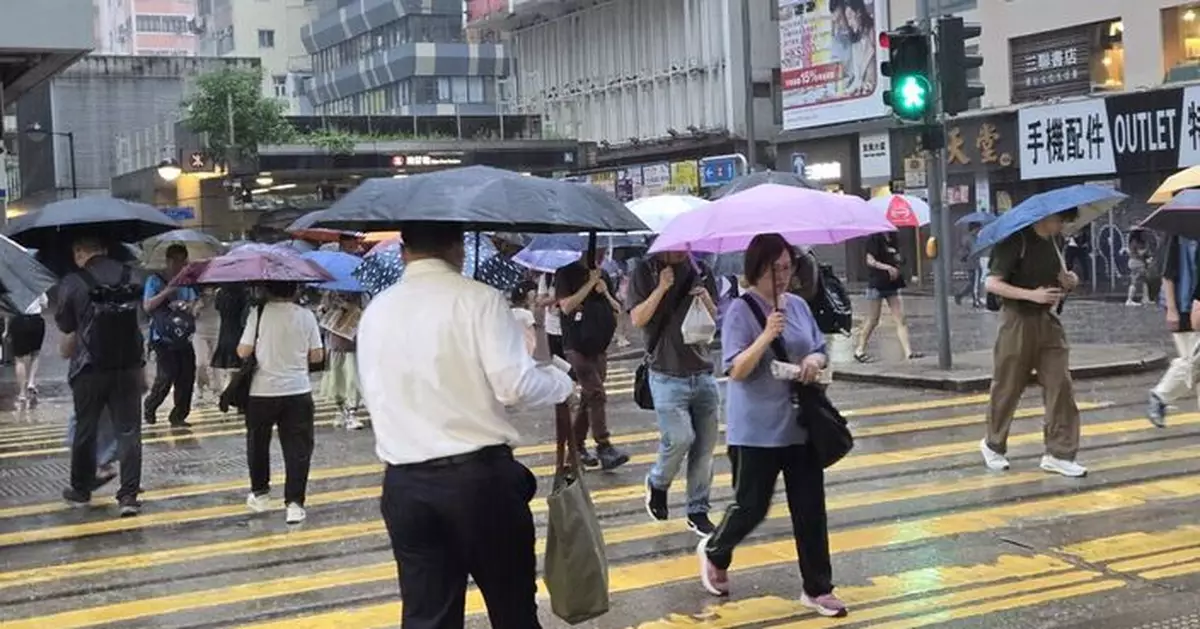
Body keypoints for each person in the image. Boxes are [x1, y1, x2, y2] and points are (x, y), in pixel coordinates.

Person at [358, 221, 574, 629]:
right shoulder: (480, 300)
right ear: (459, 248)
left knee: (428, 617)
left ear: (404, 251)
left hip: (405, 485)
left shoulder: (377, 312)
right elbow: (515, 386)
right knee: (512, 611)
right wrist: (562, 384)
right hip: (479, 485)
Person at [697, 233, 846, 617]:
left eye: (787, 267)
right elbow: (737, 370)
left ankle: (818, 588)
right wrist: (766, 336)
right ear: (755, 269)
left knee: (810, 508)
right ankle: (716, 549)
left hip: (800, 425)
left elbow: (818, 347)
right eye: (773, 268)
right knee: (751, 506)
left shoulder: (797, 305)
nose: (782, 276)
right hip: (756, 430)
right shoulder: (739, 311)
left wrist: (814, 361)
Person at [980, 208, 1087, 478]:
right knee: (1008, 385)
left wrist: (1070, 281)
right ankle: (993, 444)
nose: (1062, 226)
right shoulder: (1015, 241)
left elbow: (1062, 280)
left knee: (1060, 384)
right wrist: (1031, 295)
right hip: (1016, 320)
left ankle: (1059, 452)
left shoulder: (1055, 242)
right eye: (1060, 220)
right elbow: (992, 283)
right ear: (1044, 217)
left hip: (1047, 322)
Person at [629, 251, 720, 536]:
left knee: (704, 449)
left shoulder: (700, 268)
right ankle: (657, 482)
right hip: (666, 374)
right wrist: (662, 287)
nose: (683, 248)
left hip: (703, 371)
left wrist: (705, 298)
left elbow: (715, 316)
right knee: (680, 438)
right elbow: (637, 319)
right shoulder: (645, 270)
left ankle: (698, 510)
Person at [55, 236, 145, 516]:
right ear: (105, 249)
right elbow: (140, 324)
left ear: (81, 252)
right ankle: (128, 496)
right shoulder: (134, 276)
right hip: (128, 367)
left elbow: (66, 324)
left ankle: (81, 490)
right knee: (129, 431)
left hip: (88, 369)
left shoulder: (73, 281)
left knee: (86, 428)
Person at [238, 283, 324, 524]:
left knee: (258, 443)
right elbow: (317, 355)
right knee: (298, 449)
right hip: (297, 390)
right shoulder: (306, 316)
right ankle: (295, 504)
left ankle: (260, 494)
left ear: (267, 289)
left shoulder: (259, 313)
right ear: (295, 290)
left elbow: (243, 351)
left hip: (261, 391)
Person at [556, 251, 631, 470]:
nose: (601, 254)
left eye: (603, 250)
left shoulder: (603, 275)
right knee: (596, 392)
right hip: (575, 344)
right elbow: (567, 306)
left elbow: (618, 309)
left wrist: (605, 291)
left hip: (598, 345)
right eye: (596, 250)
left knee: (590, 399)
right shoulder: (566, 273)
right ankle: (604, 445)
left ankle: (576, 448)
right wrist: (589, 284)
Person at [142, 244, 200, 426]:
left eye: (184, 261)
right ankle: (151, 406)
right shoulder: (155, 280)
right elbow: (147, 306)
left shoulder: (188, 281)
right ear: (168, 261)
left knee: (187, 376)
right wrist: (168, 291)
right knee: (166, 376)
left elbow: (195, 303)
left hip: (184, 335)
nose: (180, 265)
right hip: (163, 337)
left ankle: (179, 415)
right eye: (176, 261)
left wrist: (190, 306)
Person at [1147, 234, 1200, 428]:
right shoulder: (1178, 234)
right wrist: (1171, 309)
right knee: (1191, 361)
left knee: (1196, 365)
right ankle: (1160, 395)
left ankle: (1161, 395)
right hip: (1184, 307)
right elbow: (1167, 274)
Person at [855, 231, 921, 362]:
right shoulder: (874, 238)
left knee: (900, 318)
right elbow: (870, 261)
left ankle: (908, 352)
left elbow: (895, 257)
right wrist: (888, 268)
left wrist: (898, 260)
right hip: (877, 284)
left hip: (892, 285)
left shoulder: (892, 237)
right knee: (873, 319)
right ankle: (859, 349)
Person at [318, 292, 365, 430]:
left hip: (353, 344)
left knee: (353, 380)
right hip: (336, 344)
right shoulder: (330, 294)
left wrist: (351, 308)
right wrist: (325, 310)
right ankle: (341, 411)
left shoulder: (361, 295)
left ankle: (351, 413)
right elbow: (322, 316)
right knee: (336, 381)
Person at [7, 293, 48, 409]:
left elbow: (7, 308)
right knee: (35, 353)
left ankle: (22, 393)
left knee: (19, 358)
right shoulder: (36, 286)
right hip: (36, 321)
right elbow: (45, 304)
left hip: (19, 320)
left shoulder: (11, 287)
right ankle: (31, 382)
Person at [210, 285, 249, 397]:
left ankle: (233, 392)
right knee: (241, 365)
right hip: (240, 330)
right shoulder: (245, 293)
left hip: (226, 330)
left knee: (233, 366)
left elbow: (217, 308)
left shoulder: (220, 293)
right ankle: (237, 393)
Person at [955, 222, 984, 308]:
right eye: (978, 228)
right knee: (975, 283)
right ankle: (976, 301)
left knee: (972, 283)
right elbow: (975, 250)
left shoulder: (966, 238)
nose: (979, 230)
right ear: (974, 229)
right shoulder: (972, 239)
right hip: (974, 263)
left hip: (969, 263)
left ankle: (960, 295)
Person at [1125, 229, 1151, 306]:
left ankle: (1145, 298)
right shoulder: (1136, 242)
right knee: (1134, 281)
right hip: (1137, 262)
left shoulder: (1132, 241)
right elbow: (1140, 253)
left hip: (1135, 262)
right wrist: (1146, 249)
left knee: (1144, 280)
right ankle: (1129, 300)